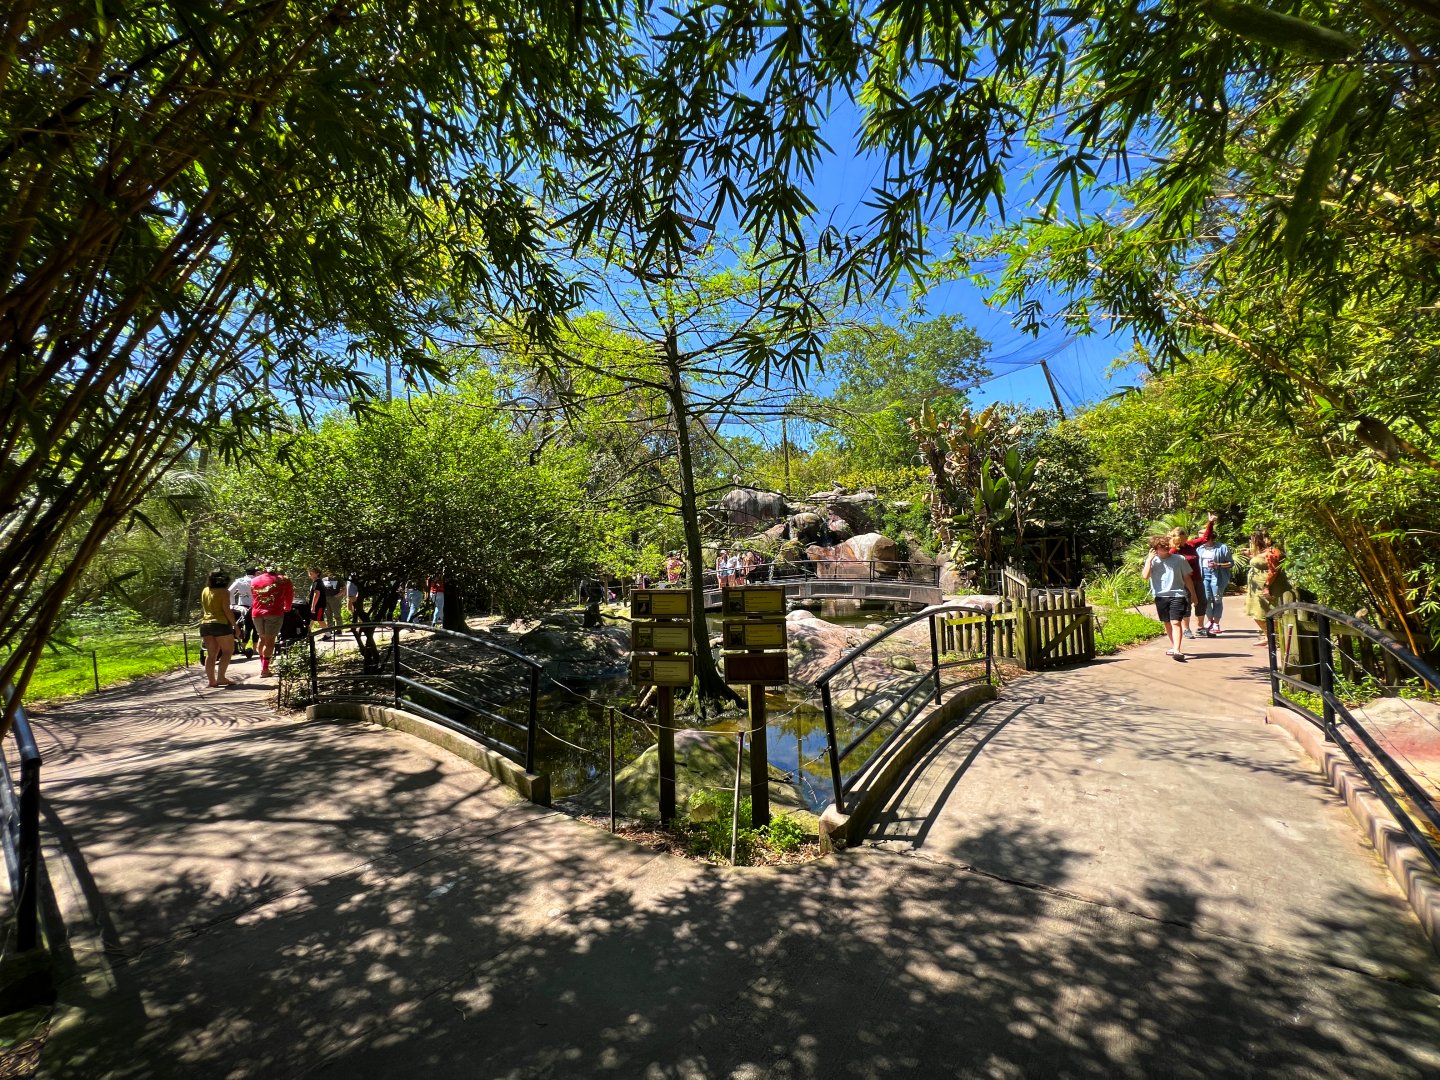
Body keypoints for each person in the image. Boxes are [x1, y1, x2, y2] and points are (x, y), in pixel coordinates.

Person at [1142, 534, 1199, 661]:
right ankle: (1174, 647)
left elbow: (1187, 578)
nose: (1166, 548)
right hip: (1160, 596)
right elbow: (1145, 576)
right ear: (1155, 548)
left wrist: (1194, 595)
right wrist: (1149, 560)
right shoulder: (1153, 561)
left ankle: (1177, 650)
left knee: (1176, 622)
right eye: (1162, 546)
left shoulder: (1179, 559)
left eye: (1167, 545)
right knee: (1167, 622)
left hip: (1177, 594)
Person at [1168, 513, 1216, 640]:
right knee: (1186, 603)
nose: (1186, 537)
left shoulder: (1191, 545)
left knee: (1202, 602)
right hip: (1182, 581)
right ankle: (1186, 629)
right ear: (1179, 537)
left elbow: (1205, 538)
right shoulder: (1173, 551)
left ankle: (1200, 628)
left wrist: (1210, 523)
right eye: (1183, 535)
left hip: (1197, 579)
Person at [1243, 531, 1289, 646]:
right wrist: (1252, 556)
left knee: (1270, 613)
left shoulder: (1272, 551)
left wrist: (1266, 587)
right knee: (1258, 613)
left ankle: (1276, 639)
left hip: (1269, 586)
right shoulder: (1263, 552)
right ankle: (1269, 637)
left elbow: (1273, 571)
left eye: (1253, 539)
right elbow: (1262, 562)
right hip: (1257, 587)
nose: (1251, 541)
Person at [249, 566, 294, 677]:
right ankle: (265, 669)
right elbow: (289, 595)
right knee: (270, 641)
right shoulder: (284, 580)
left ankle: (263, 665)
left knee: (262, 638)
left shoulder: (254, 580)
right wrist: (287, 607)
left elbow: (254, 596)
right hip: (274, 612)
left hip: (257, 613)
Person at [199, 569, 238, 687]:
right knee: (227, 651)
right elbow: (226, 609)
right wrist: (235, 626)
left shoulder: (205, 590)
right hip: (220, 624)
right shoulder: (224, 592)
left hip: (205, 624)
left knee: (211, 654)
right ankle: (221, 677)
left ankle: (211, 681)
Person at [1196, 533, 1234, 636]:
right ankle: (1210, 620)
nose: (1201, 538)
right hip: (1204, 575)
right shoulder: (1199, 549)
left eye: (1203, 536)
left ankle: (1216, 623)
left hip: (1218, 575)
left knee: (1217, 598)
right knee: (1206, 599)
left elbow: (1231, 563)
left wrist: (1218, 565)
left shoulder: (1222, 547)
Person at [228, 567, 258, 659]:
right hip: (255, 606)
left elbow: (229, 591)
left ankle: (243, 647)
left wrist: (232, 603)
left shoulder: (240, 581)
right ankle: (254, 649)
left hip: (242, 607)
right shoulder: (257, 581)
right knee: (255, 628)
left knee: (247, 627)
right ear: (255, 573)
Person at [307, 568, 329, 637]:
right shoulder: (315, 582)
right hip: (315, 605)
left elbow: (317, 594)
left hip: (319, 605)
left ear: (317, 574)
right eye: (309, 572)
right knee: (311, 619)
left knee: (320, 619)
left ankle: (328, 635)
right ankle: (306, 634)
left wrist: (313, 607)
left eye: (312, 572)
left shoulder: (318, 582)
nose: (310, 574)